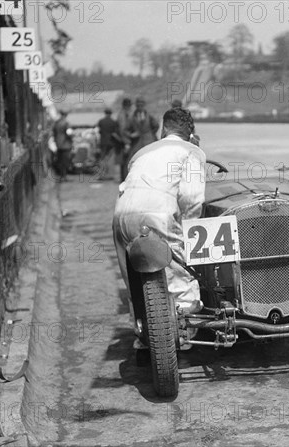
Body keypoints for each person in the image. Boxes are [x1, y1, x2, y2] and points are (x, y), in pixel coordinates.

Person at [112, 108, 206, 344]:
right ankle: (183, 337)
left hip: (122, 213)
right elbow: (192, 198)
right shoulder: (192, 152)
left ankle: (142, 331)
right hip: (157, 214)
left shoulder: (142, 152)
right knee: (180, 275)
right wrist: (189, 235)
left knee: (134, 278)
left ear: (164, 129)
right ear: (191, 132)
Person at [96, 108, 119, 180]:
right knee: (110, 159)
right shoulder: (113, 122)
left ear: (105, 113)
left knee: (102, 158)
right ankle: (110, 175)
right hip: (111, 143)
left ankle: (101, 174)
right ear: (111, 113)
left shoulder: (101, 121)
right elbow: (115, 133)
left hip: (103, 142)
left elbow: (99, 131)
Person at [52, 109, 73, 181]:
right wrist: (71, 139)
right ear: (65, 115)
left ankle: (61, 176)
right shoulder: (66, 123)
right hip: (66, 145)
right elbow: (69, 133)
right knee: (65, 161)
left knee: (60, 161)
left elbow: (54, 133)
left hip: (58, 144)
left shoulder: (56, 123)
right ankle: (64, 176)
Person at [116, 98, 133, 181]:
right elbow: (122, 129)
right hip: (125, 141)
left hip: (124, 140)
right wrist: (127, 142)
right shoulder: (123, 115)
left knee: (125, 161)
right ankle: (125, 179)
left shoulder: (122, 113)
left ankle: (124, 178)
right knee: (126, 161)